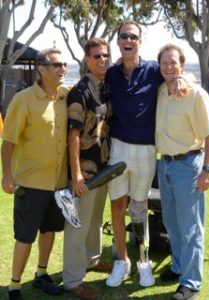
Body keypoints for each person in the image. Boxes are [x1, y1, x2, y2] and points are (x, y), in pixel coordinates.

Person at [105, 20, 191, 288]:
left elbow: (174, 72)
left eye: (133, 36)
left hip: (146, 149)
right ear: (118, 41)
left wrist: (183, 78)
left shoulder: (154, 69)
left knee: (139, 208)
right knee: (118, 206)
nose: (128, 40)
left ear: (140, 41)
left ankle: (143, 262)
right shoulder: (110, 73)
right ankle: (122, 261)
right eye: (123, 36)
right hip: (118, 147)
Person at [1, 48, 69, 300]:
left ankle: (41, 273)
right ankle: (14, 285)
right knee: (25, 235)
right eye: (57, 64)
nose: (63, 68)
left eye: (64, 64)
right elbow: (8, 141)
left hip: (58, 182)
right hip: (30, 182)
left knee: (49, 230)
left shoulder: (65, 96)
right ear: (41, 69)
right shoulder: (23, 99)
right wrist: (7, 175)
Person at [156, 44, 209, 300]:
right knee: (171, 222)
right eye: (164, 63)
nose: (169, 67)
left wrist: (207, 170)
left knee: (191, 226)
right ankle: (179, 266)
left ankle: (191, 281)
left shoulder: (196, 94)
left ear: (182, 64)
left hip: (188, 165)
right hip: (164, 164)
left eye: (173, 63)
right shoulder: (160, 90)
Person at [63, 37, 112, 299]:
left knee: (94, 221)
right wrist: (77, 174)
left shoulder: (104, 88)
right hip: (84, 173)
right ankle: (72, 281)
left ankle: (92, 260)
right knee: (77, 227)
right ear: (86, 60)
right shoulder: (79, 92)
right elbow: (74, 135)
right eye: (97, 57)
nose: (102, 60)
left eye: (105, 56)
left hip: (103, 170)